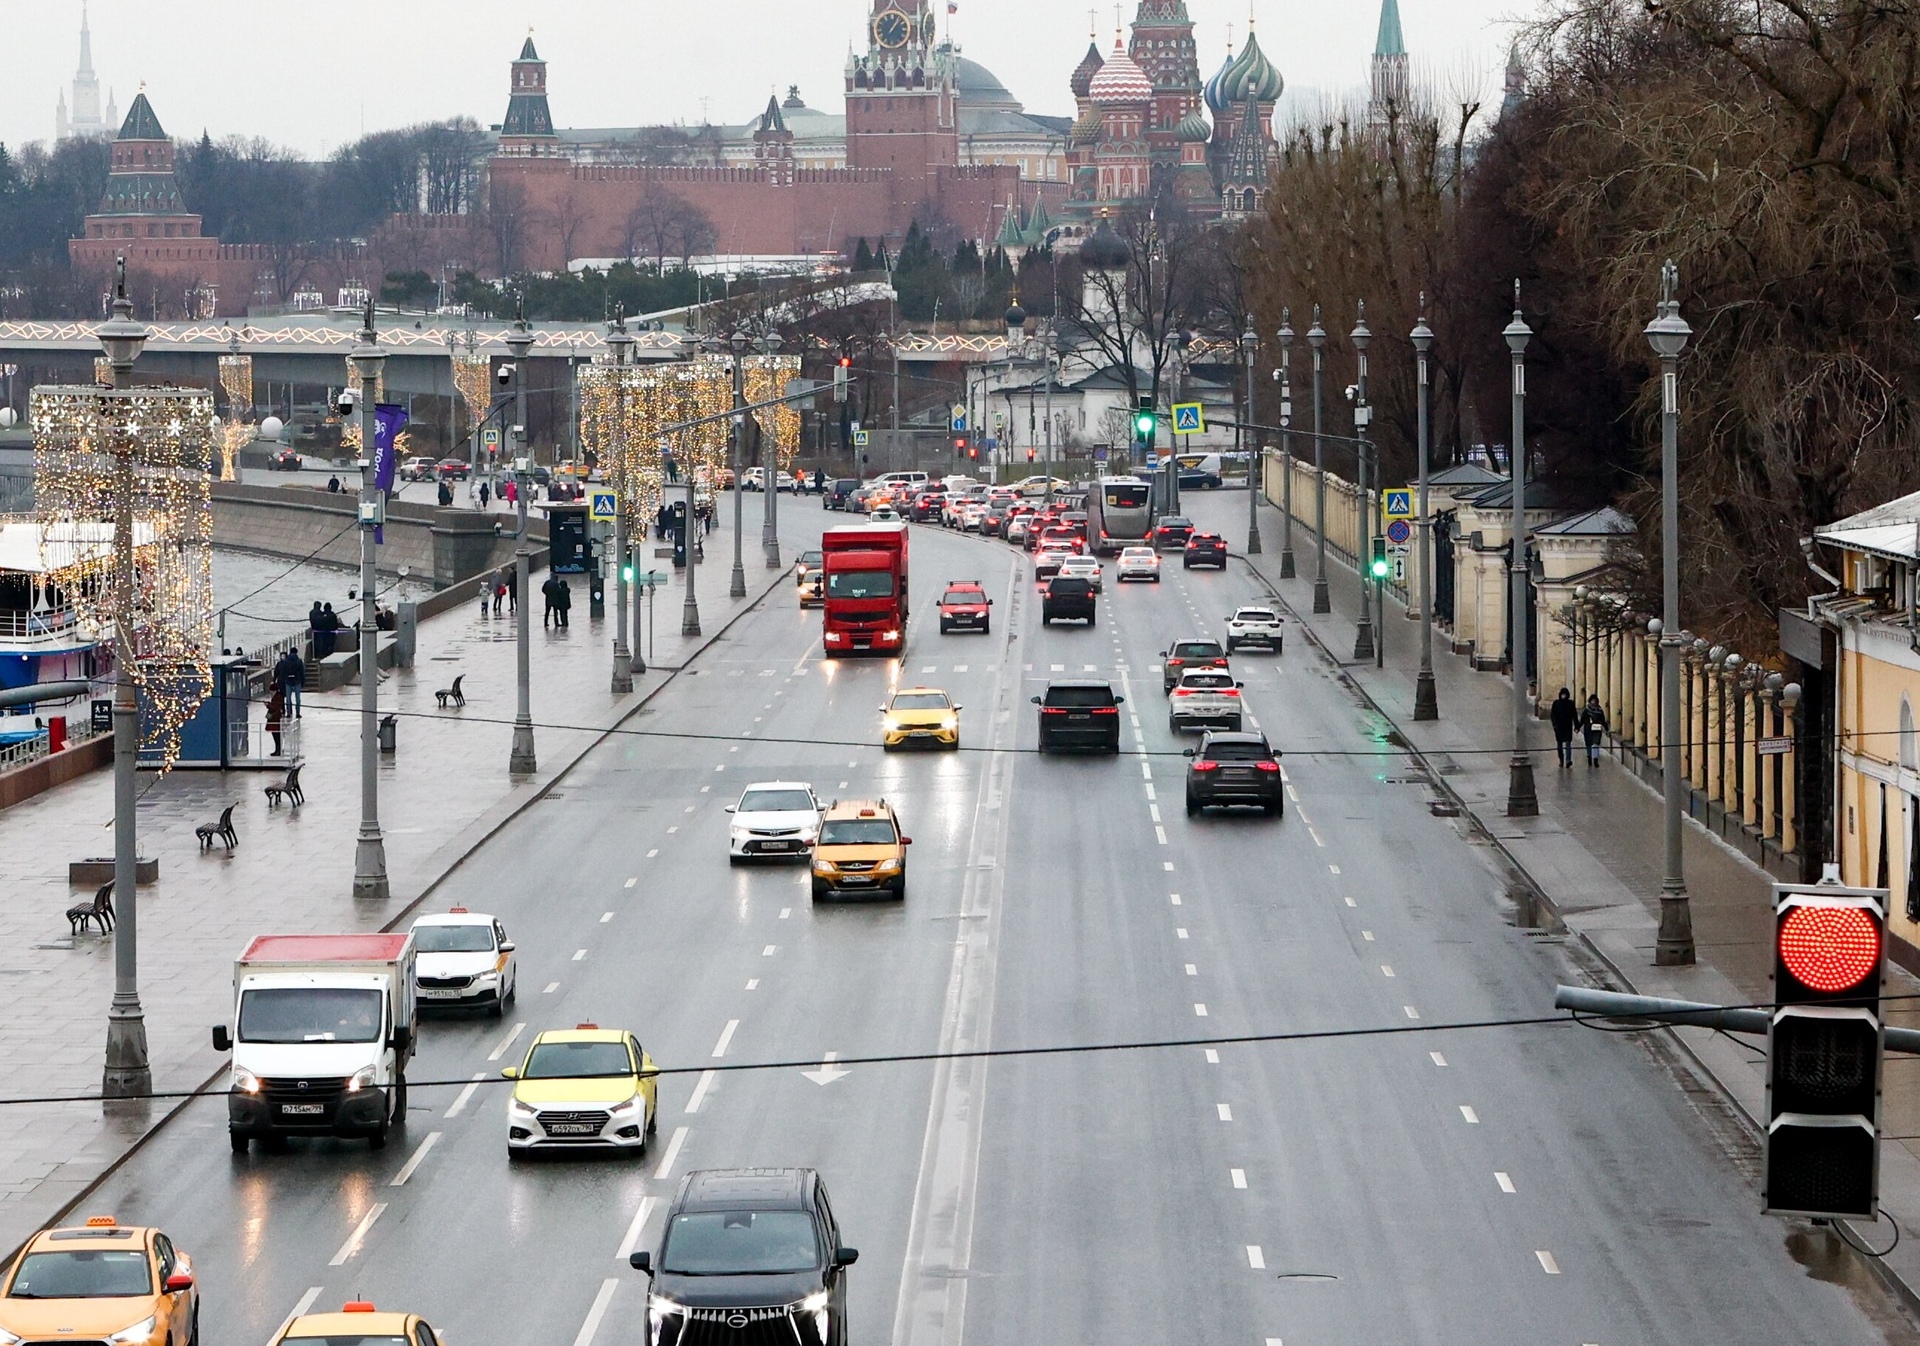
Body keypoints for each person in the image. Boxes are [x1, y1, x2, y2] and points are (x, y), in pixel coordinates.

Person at [1579, 694, 1610, 768]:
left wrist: (1606, 728)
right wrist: (1578, 727)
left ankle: (1595, 759)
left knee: (1596, 743)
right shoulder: (1586, 710)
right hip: (1588, 729)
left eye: (1594, 701)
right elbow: (1582, 720)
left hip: (1597, 729)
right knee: (1588, 744)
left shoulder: (1599, 710)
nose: (1593, 702)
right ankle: (1589, 756)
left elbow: (1602, 720)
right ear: (1590, 701)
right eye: (1592, 700)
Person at [1549, 688, 1577, 769]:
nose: (1563, 696)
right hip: (1559, 727)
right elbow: (1552, 715)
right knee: (1559, 745)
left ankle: (1568, 760)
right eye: (1562, 694)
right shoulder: (1556, 703)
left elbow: (1574, 715)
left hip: (1567, 727)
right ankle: (1561, 760)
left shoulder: (1570, 703)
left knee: (1568, 744)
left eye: (1565, 694)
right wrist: (1554, 724)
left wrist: (1576, 726)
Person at [276, 647, 305, 719]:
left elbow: (283, 673)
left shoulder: (286, 661)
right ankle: (298, 713)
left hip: (288, 681)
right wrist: (303, 681)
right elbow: (302, 672)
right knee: (297, 698)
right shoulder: (299, 661)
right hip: (297, 681)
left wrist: (282, 681)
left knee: (288, 698)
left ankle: (289, 713)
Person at [265, 683, 285, 757]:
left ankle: (278, 750)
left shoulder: (278, 697)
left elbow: (275, 707)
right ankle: (277, 750)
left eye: (271, 691)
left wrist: (268, 705)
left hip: (275, 718)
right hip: (274, 718)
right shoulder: (277, 697)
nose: (271, 693)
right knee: (275, 734)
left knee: (276, 734)